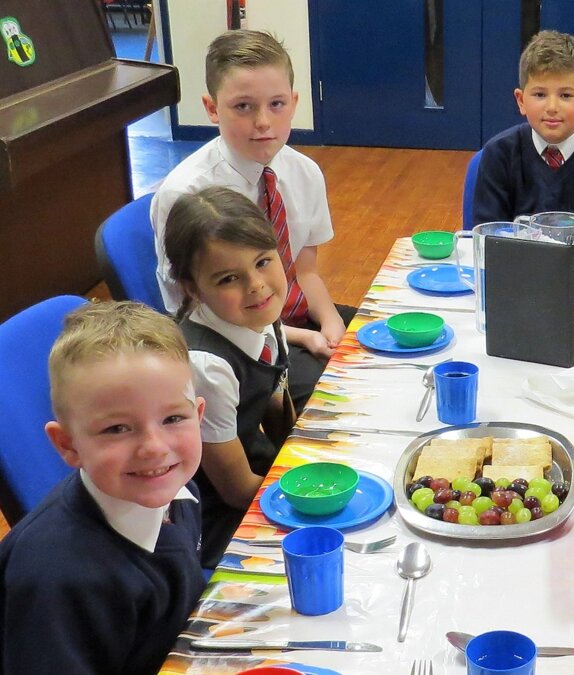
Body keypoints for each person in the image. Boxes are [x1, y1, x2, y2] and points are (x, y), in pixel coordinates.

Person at [150, 29, 355, 412]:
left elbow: (306, 272)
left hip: (290, 314)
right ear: (212, 109)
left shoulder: (304, 172)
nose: (263, 122)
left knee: (386, 350)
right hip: (237, 340)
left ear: (294, 102)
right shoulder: (187, 194)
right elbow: (195, 312)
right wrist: (301, 339)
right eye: (243, 107)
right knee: (340, 403)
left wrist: (330, 325)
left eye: (277, 104)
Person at [0, 301, 206, 675]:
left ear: (199, 416)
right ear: (68, 445)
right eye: (117, 429)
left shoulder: (178, 491)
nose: (155, 447)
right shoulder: (57, 580)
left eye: (173, 418)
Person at [164, 186, 295, 568]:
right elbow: (236, 492)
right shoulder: (206, 366)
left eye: (262, 262)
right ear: (192, 289)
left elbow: (272, 394)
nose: (256, 285)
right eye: (227, 279)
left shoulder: (259, 313)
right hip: (214, 519)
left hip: (256, 468)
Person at [472, 30, 574, 242]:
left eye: (565, 95)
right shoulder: (499, 155)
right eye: (540, 94)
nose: (552, 107)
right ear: (521, 101)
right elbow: (486, 240)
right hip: (516, 272)